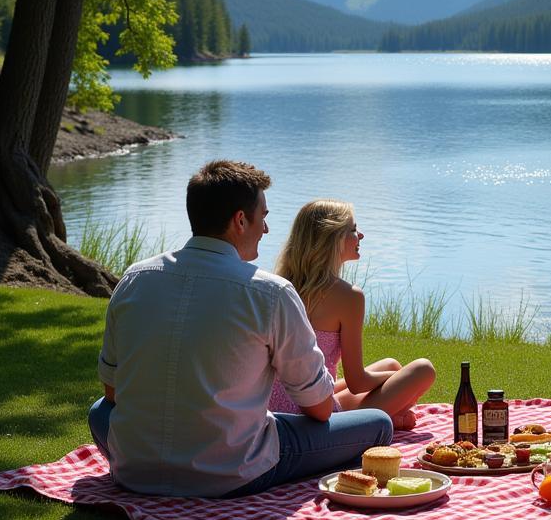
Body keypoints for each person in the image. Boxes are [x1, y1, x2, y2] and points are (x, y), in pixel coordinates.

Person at [87, 160, 393, 498]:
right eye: (263, 217)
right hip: (232, 472)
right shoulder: (270, 293)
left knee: (99, 411)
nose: (266, 229)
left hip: (136, 469)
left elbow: (114, 393)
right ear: (240, 220)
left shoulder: (134, 279)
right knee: (378, 423)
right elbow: (319, 408)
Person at [270, 199, 435, 431]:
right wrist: (395, 377)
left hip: (277, 405)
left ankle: (392, 415)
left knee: (391, 364)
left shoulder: (280, 287)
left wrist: (393, 374)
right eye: (353, 230)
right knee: (422, 370)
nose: (361, 236)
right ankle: (389, 415)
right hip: (313, 416)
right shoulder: (348, 296)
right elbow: (357, 382)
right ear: (333, 239)